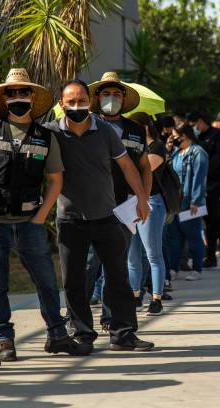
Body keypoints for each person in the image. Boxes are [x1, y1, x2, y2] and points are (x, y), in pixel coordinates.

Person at [0, 79, 154, 351]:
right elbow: (18, 130)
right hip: (70, 219)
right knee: (74, 281)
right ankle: (82, 333)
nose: (76, 106)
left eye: (82, 100)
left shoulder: (106, 131)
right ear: (62, 104)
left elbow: (128, 165)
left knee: (118, 276)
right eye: (70, 102)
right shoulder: (50, 133)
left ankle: (124, 334)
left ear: (89, 102)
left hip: (107, 216)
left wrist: (142, 198)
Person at [0, 68, 87, 361]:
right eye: (12, 93)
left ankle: (57, 335)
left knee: (46, 280)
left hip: (29, 222)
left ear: (32, 97)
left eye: (23, 92)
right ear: (4, 98)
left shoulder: (46, 137)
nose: (18, 97)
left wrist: (40, 216)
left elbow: (56, 179)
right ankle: (5, 340)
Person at [87, 72, 152, 319]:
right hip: (94, 206)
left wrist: (143, 199)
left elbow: (145, 167)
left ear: (124, 98)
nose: (112, 98)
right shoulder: (88, 124)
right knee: (90, 264)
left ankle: (110, 317)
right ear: (97, 97)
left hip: (126, 207)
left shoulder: (136, 130)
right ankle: (77, 319)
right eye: (106, 93)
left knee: (116, 265)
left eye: (116, 94)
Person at [125, 112, 168, 316]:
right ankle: (135, 295)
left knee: (153, 253)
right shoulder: (133, 146)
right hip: (129, 202)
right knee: (132, 255)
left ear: (145, 127)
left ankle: (156, 298)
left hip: (151, 202)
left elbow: (145, 170)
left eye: (134, 126)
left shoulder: (156, 147)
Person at [187, 112, 220, 272]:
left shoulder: (219, 135)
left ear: (200, 120)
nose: (194, 127)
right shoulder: (196, 138)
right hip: (203, 186)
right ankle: (211, 256)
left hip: (218, 185)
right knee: (209, 222)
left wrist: (201, 170)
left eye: (194, 124)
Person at [165, 124, 208, 281]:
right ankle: (173, 268)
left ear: (185, 135)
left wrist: (196, 201)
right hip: (175, 201)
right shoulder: (177, 152)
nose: (174, 139)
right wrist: (168, 150)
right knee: (174, 237)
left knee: (193, 236)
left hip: (190, 201)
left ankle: (197, 269)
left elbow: (199, 179)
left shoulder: (198, 153)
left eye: (176, 136)